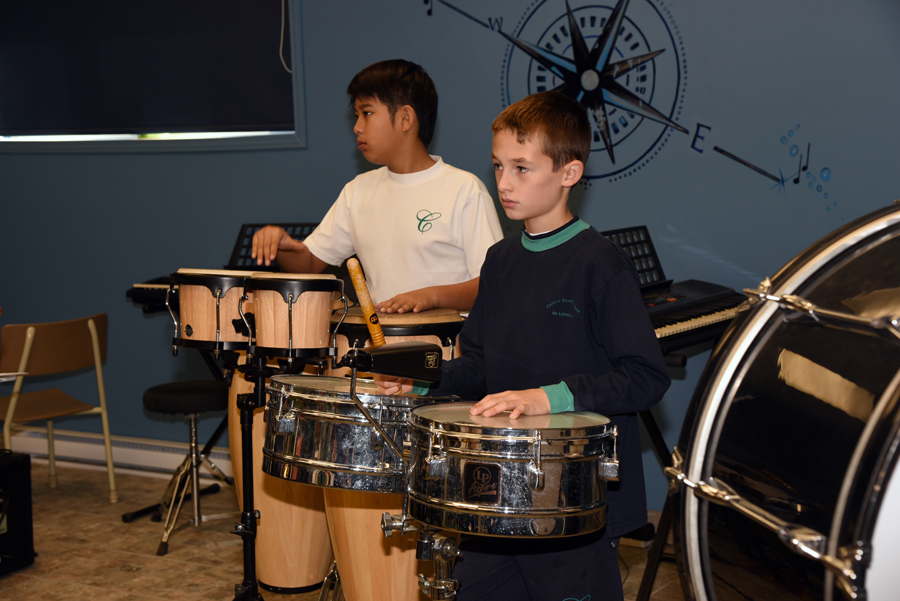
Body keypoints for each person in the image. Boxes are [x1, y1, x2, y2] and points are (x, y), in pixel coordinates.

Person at [377, 91, 671, 600]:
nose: (504, 184)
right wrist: (425, 378)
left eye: (521, 168)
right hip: (494, 490)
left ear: (568, 174)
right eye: (497, 167)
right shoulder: (499, 260)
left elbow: (646, 378)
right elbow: (481, 366)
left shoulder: (601, 264)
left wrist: (547, 397)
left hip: (572, 499)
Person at [251, 59, 503, 313]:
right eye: (356, 115)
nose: (357, 127)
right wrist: (282, 246)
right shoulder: (358, 191)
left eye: (367, 113)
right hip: (380, 348)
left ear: (405, 118)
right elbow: (309, 263)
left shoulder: (464, 190)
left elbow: (493, 285)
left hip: (452, 348)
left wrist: (431, 296)